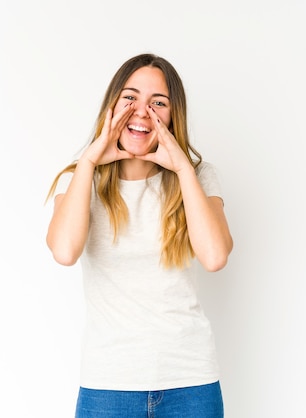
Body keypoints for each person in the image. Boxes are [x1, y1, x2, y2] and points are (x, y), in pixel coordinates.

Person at [45, 53, 233, 418]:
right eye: (130, 97)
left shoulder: (196, 177)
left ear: (173, 115)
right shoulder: (81, 179)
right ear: (112, 105)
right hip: (108, 386)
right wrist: (87, 162)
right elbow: (65, 251)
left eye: (158, 102)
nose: (142, 111)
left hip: (190, 382)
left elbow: (214, 256)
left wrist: (181, 166)